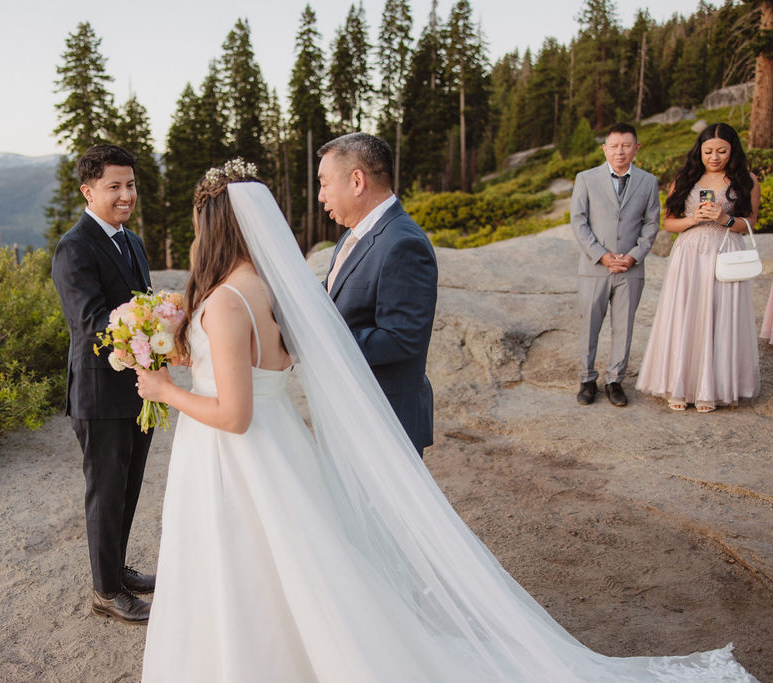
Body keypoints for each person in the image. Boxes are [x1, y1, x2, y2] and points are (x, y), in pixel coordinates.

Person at [135, 161, 755, 681]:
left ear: (207, 225)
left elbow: (234, 413)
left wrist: (164, 386)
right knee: (302, 561)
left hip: (239, 451)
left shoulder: (222, 299)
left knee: (246, 564)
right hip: (282, 448)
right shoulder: (261, 287)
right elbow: (274, 360)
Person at [50, 145, 155, 624]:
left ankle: (115, 569)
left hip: (137, 389)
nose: (125, 195)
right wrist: (151, 327)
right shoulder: (75, 247)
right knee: (106, 492)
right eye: (114, 186)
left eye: (130, 184)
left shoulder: (130, 242)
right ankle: (105, 592)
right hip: (99, 394)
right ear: (87, 190)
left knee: (129, 489)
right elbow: (92, 323)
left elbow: (142, 300)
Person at [317, 132, 437, 453]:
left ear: (357, 181)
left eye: (325, 183)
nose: (320, 196)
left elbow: (401, 339)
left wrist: (318, 341)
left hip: (386, 422)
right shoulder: (353, 235)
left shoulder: (403, 243)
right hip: (354, 414)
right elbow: (331, 297)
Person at [636, 123, 760, 411]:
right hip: (689, 255)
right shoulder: (685, 178)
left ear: (733, 150)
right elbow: (669, 223)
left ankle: (712, 388)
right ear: (699, 151)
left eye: (721, 151)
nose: (714, 157)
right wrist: (693, 219)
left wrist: (723, 218)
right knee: (686, 314)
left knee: (721, 316)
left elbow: (750, 223)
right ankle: (680, 386)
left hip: (725, 250)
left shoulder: (748, 180)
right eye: (708, 151)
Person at [572, 122, 661, 408]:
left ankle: (615, 381)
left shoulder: (648, 182)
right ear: (605, 149)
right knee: (590, 326)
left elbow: (651, 224)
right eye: (614, 146)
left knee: (624, 326)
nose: (620, 151)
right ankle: (587, 380)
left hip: (631, 268)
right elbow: (579, 221)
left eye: (626, 146)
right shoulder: (585, 178)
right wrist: (602, 255)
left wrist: (634, 255)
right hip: (595, 267)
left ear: (636, 148)